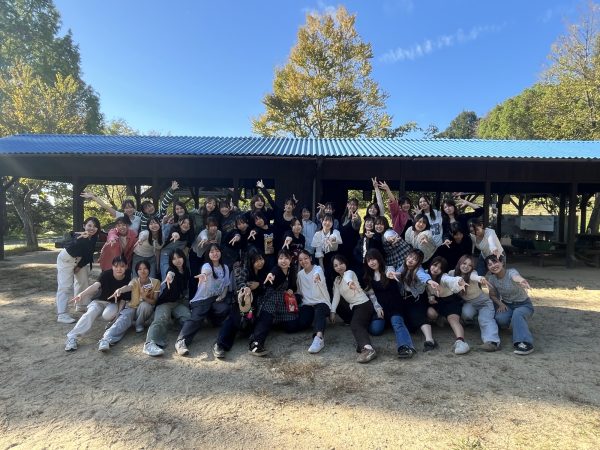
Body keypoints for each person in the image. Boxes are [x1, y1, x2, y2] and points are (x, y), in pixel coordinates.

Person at [248, 249, 310, 356]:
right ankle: (255, 343)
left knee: (292, 326)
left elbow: (293, 286)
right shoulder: (276, 269)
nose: (283, 261)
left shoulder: (292, 270)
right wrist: (270, 275)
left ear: (291, 259)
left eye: (286, 258)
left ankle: (274, 323)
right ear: (277, 260)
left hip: (283, 301)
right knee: (266, 318)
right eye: (280, 258)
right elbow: (272, 274)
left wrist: (291, 289)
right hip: (271, 298)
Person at [64, 255, 131, 351]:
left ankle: (107, 336)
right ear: (112, 266)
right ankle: (72, 337)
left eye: (122, 266)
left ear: (126, 266)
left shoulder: (128, 276)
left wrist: (118, 314)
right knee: (90, 313)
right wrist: (82, 294)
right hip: (99, 301)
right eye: (116, 266)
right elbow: (95, 286)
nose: (119, 269)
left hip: (113, 304)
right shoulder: (106, 274)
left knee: (107, 315)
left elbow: (124, 299)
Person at [175, 244, 231, 356]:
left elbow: (226, 285)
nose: (215, 253)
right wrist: (204, 275)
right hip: (203, 299)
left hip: (216, 299)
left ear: (221, 252)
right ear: (208, 254)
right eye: (211, 252)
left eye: (217, 250)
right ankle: (181, 342)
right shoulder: (207, 266)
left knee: (225, 308)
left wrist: (223, 296)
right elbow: (206, 271)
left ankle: (211, 320)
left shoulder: (225, 267)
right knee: (196, 319)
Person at [213, 250, 269, 358]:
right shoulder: (244, 270)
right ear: (250, 261)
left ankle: (255, 344)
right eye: (256, 260)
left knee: (263, 318)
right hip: (244, 303)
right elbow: (240, 282)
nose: (260, 262)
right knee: (234, 319)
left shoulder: (265, 271)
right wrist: (246, 288)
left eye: (261, 259)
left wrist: (259, 285)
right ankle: (220, 344)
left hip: (258, 305)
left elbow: (267, 286)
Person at [97, 260, 160, 351]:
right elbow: (128, 287)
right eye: (139, 269)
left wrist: (144, 296)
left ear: (149, 269)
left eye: (145, 268)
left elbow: (154, 302)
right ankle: (106, 339)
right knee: (122, 319)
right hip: (132, 307)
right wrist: (120, 290)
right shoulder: (134, 281)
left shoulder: (155, 282)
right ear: (136, 271)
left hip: (144, 311)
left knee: (145, 305)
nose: (142, 271)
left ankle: (139, 324)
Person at [330, 254, 383, 363]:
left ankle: (368, 349)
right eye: (336, 265)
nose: (339, 267)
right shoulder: (337, 280)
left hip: (364, 304)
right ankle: (362, 343)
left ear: (345, 263)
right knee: (357, 324)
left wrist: (350, 283)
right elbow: (336, 297)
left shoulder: (350, 273)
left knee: (355, 324)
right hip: (355, 307)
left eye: (341, 263)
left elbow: (347, 278)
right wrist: (333, 311)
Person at [364, 249, 416, 358]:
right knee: (375, 330)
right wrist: (378, 308)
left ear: (379, 259)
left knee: (397, 323)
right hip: (381, 308)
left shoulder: (389, 269)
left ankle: (405, 347)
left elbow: (391, 272)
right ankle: (387, 323)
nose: (371, 262)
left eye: (373, 259)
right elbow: (372, 296)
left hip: (394, 305)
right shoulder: (368, 276)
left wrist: (390, 274)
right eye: (368, 261)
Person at [387, 249, 440, 352]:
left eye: (415, 259)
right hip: (404, 299)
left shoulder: (418, 270)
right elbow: (397, 273)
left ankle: (430, 340)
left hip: (416, 299)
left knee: (419, 317)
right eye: (410, 256)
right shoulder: (403, 266)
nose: (411, 260)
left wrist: (429, 281)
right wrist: (390, 273)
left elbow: (423, 275)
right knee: (410, 327)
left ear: (418, 262)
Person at [143, 248, 191, 357]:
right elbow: (170, 274)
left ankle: (181, 340)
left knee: (188, 318)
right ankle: (149, 344)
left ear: (183, 257)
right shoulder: (171, 270)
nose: (177, 260)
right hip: (165, 302)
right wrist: (168, 277)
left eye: (179, 257)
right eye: (174, 259)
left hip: (177, 303)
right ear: (171, 261)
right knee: (160, 319)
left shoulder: (186, 270)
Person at [485, 255, 535, 355]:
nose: (493, 265)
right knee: (500, 319)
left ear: (502, 262)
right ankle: (516, 324)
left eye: (495, 262)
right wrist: (500, 304)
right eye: (490, 264)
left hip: (524, 304)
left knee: (518, 313)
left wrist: (521, 280)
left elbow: (516, 277)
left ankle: (525, 343)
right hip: (508, 305)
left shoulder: (511, 272)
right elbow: (492, 295)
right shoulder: (492, 279)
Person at [55, 217, 101, 324]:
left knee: (83, 281)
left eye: (95, 226)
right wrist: (80, 239)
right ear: (84, 226)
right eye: (89, 225)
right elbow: (72, 245)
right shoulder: (79, 236)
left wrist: (79, 266)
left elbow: (88, 255)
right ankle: (62, 314)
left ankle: (81, 305)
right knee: (65, 286)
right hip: (66, 260)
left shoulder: (94, 238)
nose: (92, 228)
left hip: (79, 260)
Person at [450, 255, 500, 351]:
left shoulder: (473, 273)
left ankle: (492, 342)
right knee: (466, 314)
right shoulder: (452, 273)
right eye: (464, 263)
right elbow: (444, 278)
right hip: (470, 303)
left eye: (470, 265)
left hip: (483, 303)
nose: (466, 266)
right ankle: (474, 321)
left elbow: (475, 277)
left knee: (485, 319)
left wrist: (480, 278)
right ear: (459, 263)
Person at [425, 256, 470, 355]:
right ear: (430, 264)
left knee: (453, 320)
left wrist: (459, 281)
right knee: (430, 313)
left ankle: (461, 342)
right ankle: (440, 319)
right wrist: (430, 297)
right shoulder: (426, 274)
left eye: (440, 268)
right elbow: (428, 289)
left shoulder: (443, 277)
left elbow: (450, 280)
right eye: (434, 265)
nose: (436, 269)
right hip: (437, 302)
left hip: (450, 301)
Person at [296, 250, 332, 353]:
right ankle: (317, 321)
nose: (303, 261)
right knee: (302, 323)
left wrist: (316, 276)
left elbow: (318, 273)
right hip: (308, 305)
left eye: (305, 258)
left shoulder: (318, 269)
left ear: (310, 258)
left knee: (319, 311)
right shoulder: (300, 274)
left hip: (322, 303)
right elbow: (299, 291)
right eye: (300, 260)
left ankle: (319, 338)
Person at [312, 214, 343, 290]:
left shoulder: (335, 231)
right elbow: (318, 251)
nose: (327, 223)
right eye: (325, 220)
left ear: (333, 223)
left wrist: (331, 239)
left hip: (333, 258)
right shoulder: (317, 234)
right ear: (322, 221)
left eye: (330, 221)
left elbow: (337, 238)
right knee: (323, 277)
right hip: (321, 258)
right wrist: (321, 266)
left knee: (333, 278)